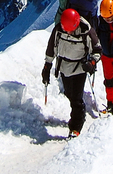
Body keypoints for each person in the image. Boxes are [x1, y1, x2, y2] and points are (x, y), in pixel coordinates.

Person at [43, 7, 100, 137]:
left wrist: (91, 63)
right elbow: (51, 48)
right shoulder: (58, 29)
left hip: (80, 68)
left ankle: (76, 127)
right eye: (65, 29)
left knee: (76, 98)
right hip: (64, 68)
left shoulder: (87, 31)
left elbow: (97, 50)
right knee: (69, 93)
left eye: (69, 30)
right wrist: (47, 65)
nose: (67, 32)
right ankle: (77, 115)